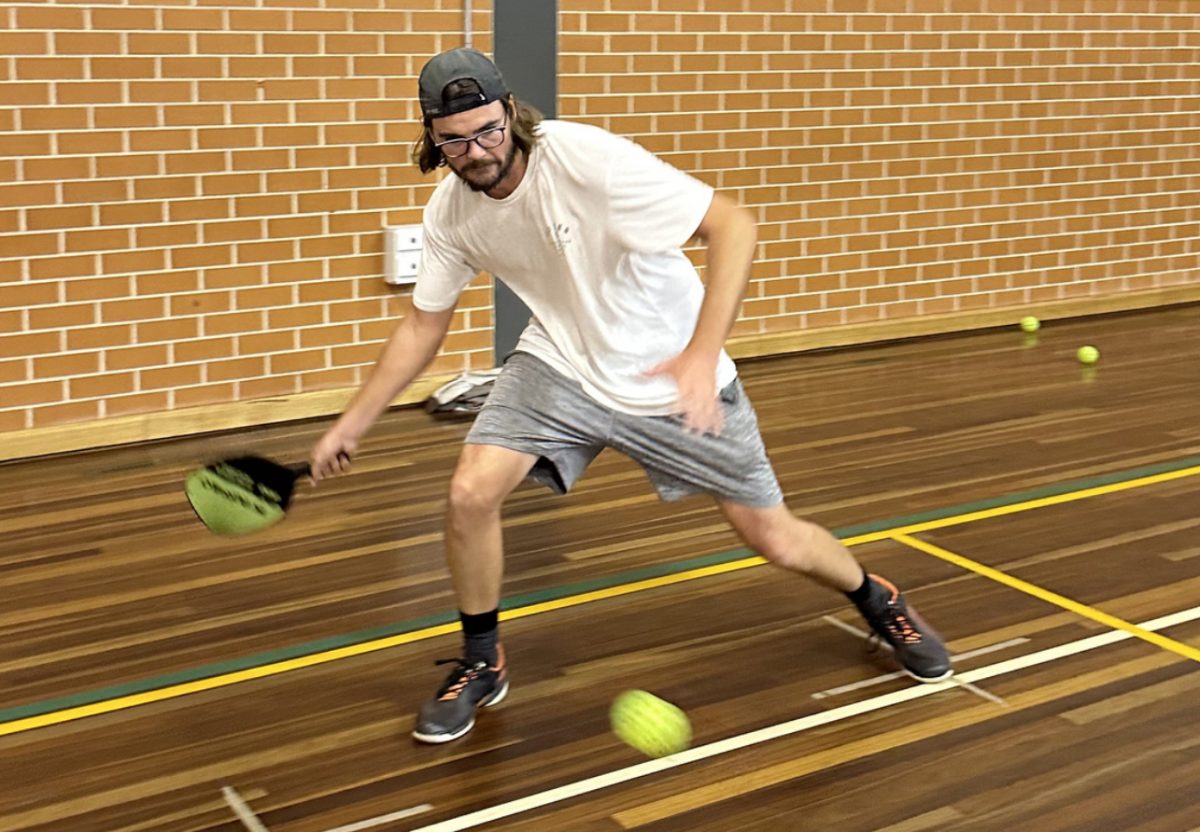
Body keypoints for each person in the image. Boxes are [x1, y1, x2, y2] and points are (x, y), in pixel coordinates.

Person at [310, 47, 952, 744]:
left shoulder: (586, 161)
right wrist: (352, 423)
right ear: (432, 137)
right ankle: (481, 659)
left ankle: (876, 596)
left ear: (510, 115)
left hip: (669, 371)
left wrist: (703, 354)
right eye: (456, 138)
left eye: (488, 129)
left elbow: (733, 225)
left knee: (773, 536)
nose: (477, 150)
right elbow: (421, 325)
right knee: (469, 493)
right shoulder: (451, 214)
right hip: (561, 363)